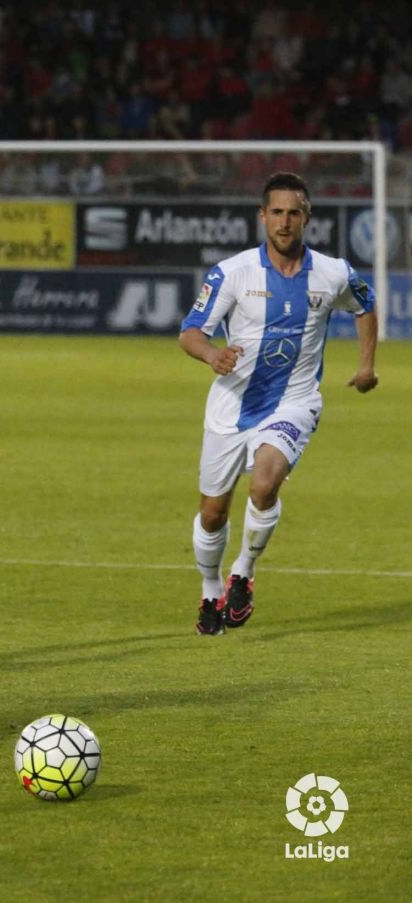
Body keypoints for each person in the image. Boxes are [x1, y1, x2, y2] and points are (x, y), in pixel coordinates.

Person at [179, 171, 378, 636]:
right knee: (212, 514)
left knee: (265, 484)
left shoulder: (332, 272)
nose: (285, 222)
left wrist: (367, 365)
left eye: (294, 213)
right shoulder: (232, 272)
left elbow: (365, 305)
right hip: (231, 406)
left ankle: (243, 572)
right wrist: (212, 355)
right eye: (277, 212)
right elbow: (190, 332)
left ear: (307, 218)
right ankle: (210, 588)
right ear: (262, 217)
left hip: (294, 401)